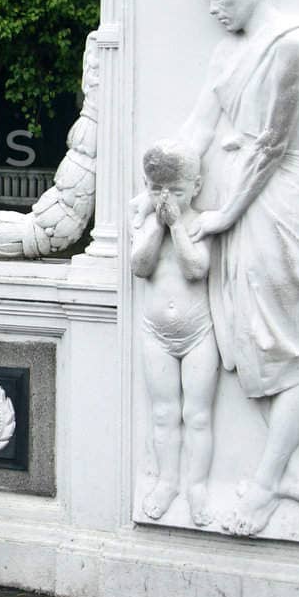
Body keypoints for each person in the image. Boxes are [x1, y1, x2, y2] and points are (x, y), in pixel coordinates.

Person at [178, 0, 299, 536]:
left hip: (279, 206)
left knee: (285, 347)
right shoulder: (226, 54)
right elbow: (198, 125)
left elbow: (272, 145)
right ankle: (290, 466)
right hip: (236, 200)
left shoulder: (296, 45)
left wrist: (225, 213)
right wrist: (159, 182)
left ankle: (267, 485)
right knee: (240, 339)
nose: (213, 7)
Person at [130, 140, 219, 525]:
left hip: (199, 333)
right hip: (156, 335)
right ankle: (167, 482)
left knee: (197, 415)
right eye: (156, 190)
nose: (165, 198)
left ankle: (196, 487)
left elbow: (195, 269)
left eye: (177, 192)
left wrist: (177, 226)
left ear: (195, 188)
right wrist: (157, 225)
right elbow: (140, 266)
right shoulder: (144, 224)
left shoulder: (201, 223)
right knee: (164, 414)